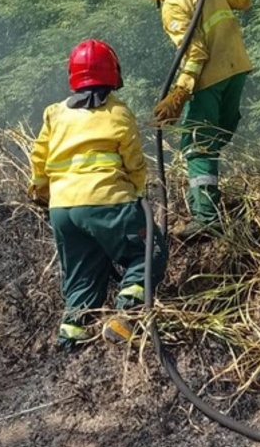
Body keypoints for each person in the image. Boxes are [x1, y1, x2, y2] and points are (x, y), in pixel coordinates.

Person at [28, 39, 167, 350]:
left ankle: (71, 340)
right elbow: (134, 161)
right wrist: (137, 192)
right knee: (149, 251)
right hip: (109, 203)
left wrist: (40, 191)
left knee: (82, 275)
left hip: (63, 210)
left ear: (73, 76)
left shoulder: (55, 113)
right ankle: (127, 315)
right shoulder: (118, 112)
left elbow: (39, 157)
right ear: (113, 73)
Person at [124, 0, 252, 238]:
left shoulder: (171, 4)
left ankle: (207, 218)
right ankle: (209, 199)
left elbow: (195, 54)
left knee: (197, 145)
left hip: (209, 79)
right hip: (237, 69)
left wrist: (179, 94)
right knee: (209, 140)